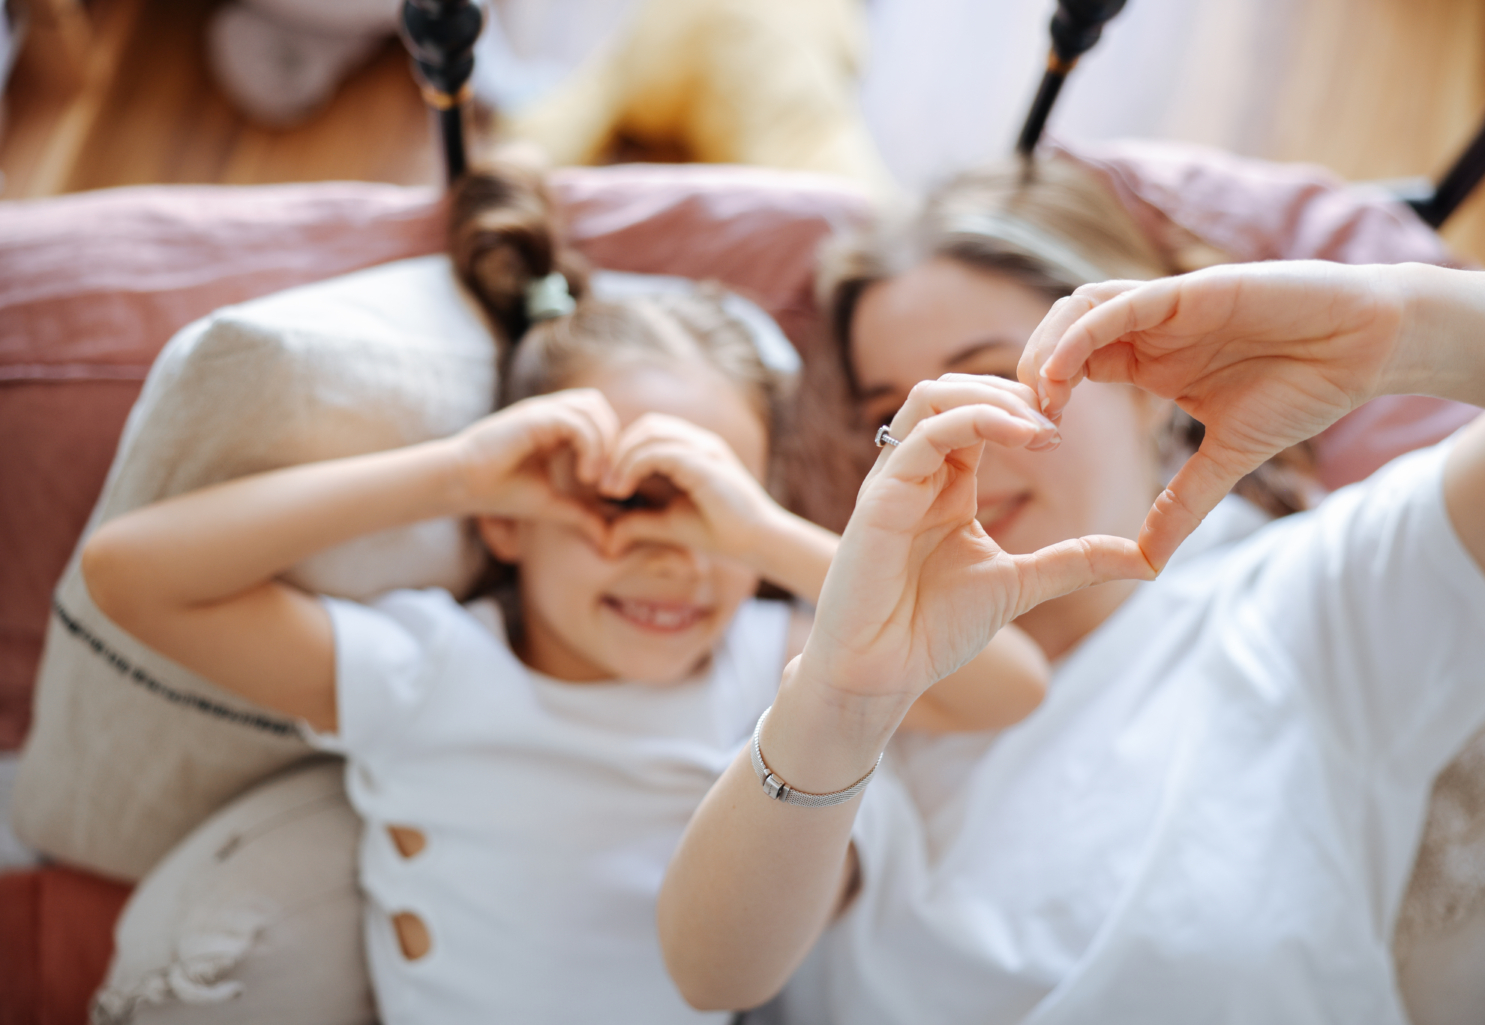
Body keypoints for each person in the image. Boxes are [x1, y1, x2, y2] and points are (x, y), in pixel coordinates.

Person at [76, 162, 1049, 1024]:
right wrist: (453, 474)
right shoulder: (428, 669)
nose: (673, 556)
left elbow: (1008, 682)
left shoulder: (777, 665)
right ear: (509, 522)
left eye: (707, 506)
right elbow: (131, 574)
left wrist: (756, 530)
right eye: (624, 504)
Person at [657, 159, 1485, 1022]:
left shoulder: (1316, 593)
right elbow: (713, 972)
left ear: (1150, 380)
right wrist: (841, 698)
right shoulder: (864, 663)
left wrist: (1407, 324)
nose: (954, 442)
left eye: (997, 376)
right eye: (891, 420)